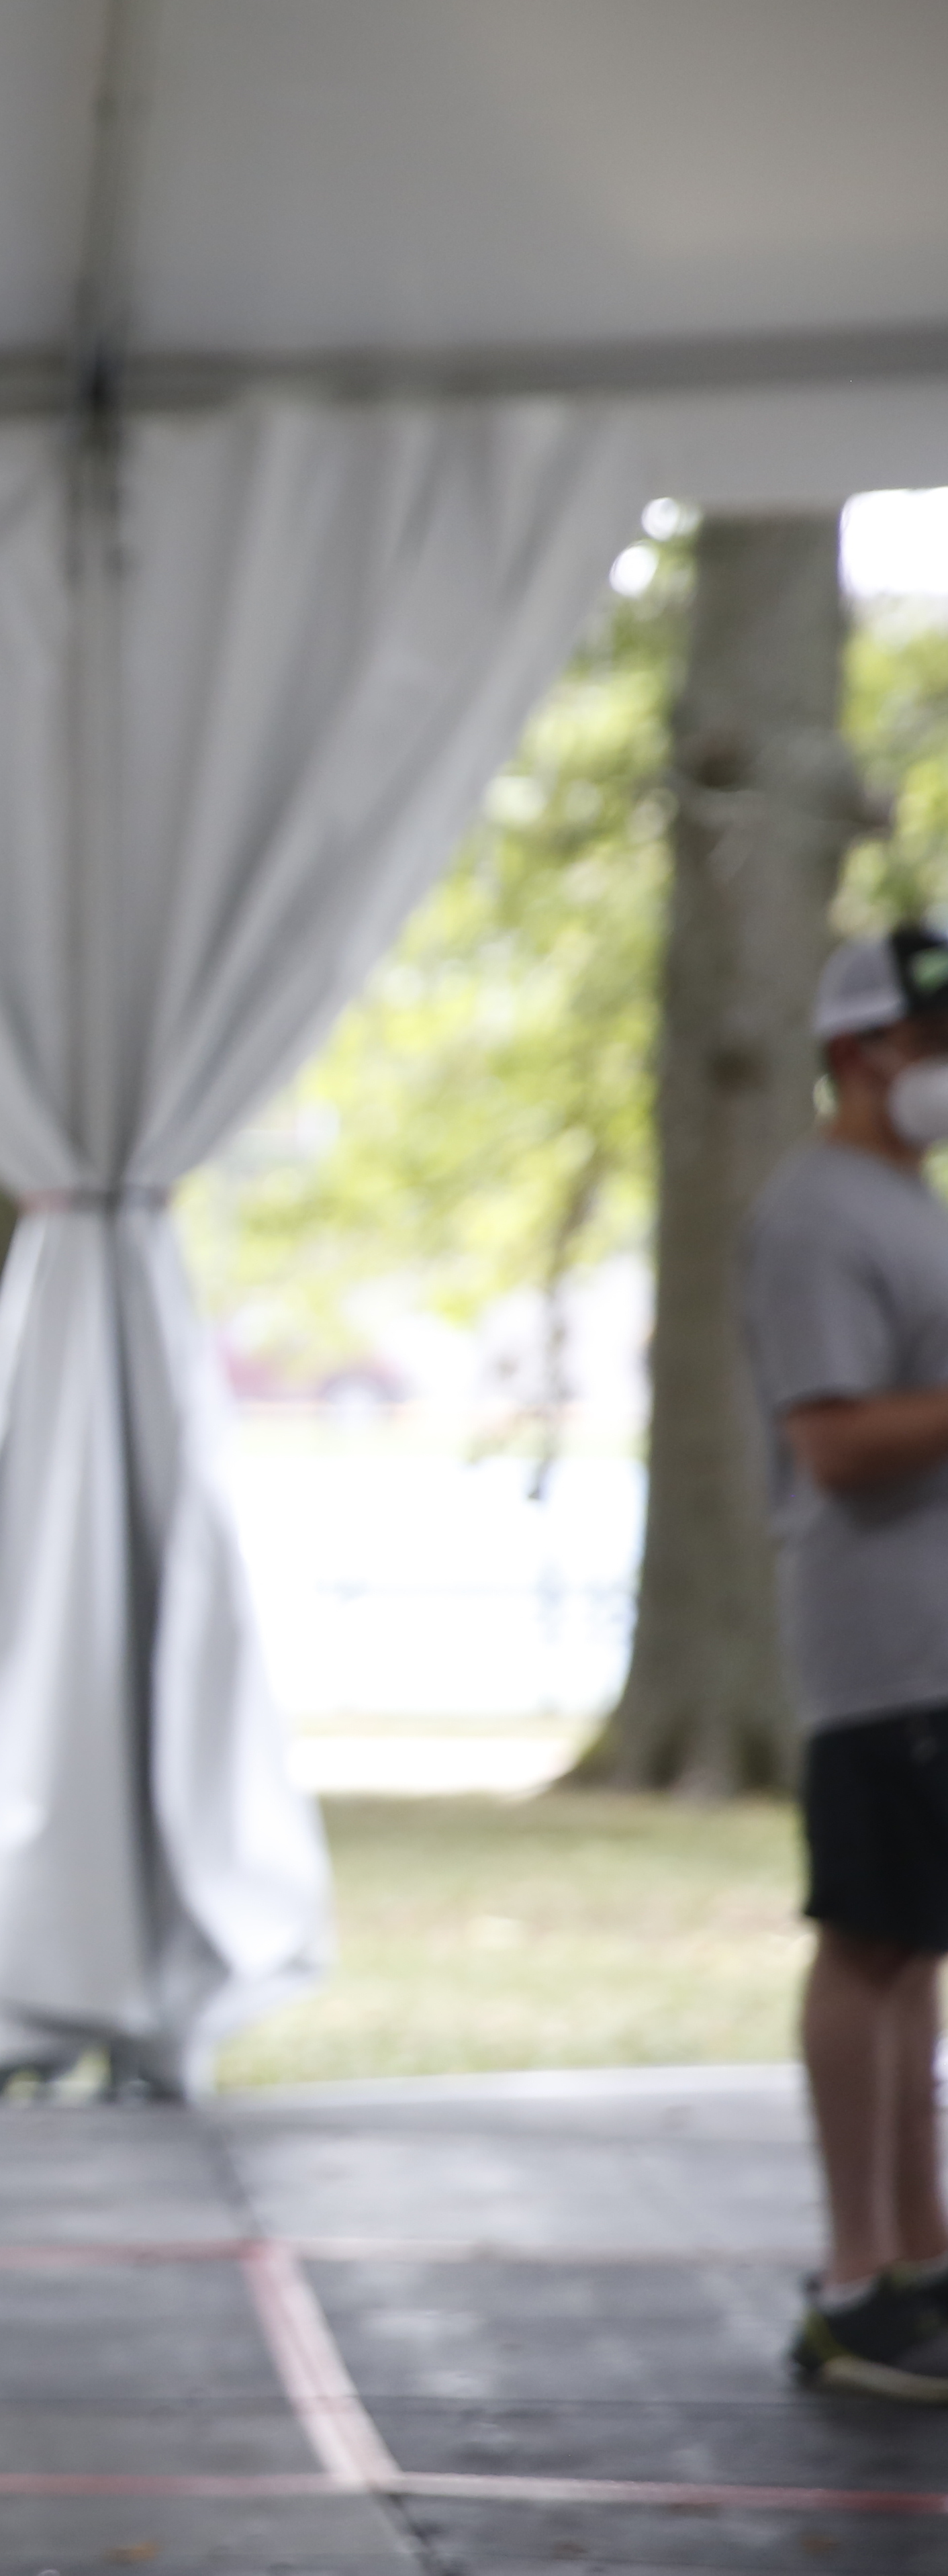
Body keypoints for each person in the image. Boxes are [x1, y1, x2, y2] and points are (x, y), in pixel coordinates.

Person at [743, 920, 948, 2403]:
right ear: (859, 1049)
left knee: (910, 1946)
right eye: (932, 1040)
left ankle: (914, 2252)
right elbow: (832, 1440)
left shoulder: (908, 1202)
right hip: (879, 1641)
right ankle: (849, 2278)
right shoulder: (818, 1215)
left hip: (933, 1639)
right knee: (868, 1941)